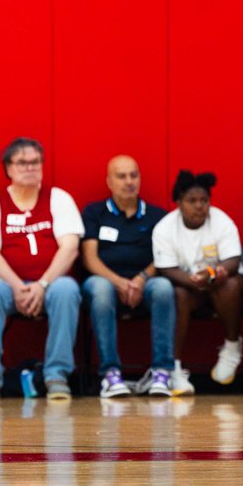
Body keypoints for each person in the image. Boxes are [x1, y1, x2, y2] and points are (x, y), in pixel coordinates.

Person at [0, 138, 83, 402]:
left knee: (67, 289)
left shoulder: (59, 199)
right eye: (22, 163)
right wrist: (19, 287)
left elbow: (70, 248)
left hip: (51, 283)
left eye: (35, 162)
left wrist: (42, 285)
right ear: (8, 168)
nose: (30, 168)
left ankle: (56, 376)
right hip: (8, 286)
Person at [81, 155, 173, 398]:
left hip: (146, 282)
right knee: (100, 290)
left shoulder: (158, 216)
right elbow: (90, 258)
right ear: (109, 182)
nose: (129, 181)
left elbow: (164, 256)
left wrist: (141, 278)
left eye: (134, 175)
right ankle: (111, 374)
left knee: (164, 287)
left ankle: (162, 372)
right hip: (105, 281)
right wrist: (119, 282)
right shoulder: (94, 213)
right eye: (121, 176)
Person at [151, 170, 243, 396]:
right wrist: (194, 281)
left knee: (230, 285)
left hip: (221, 282)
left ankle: (232, 347)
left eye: (204, 200)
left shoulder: (221, 221)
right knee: (179, 295)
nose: (199, 206)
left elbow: (233, 260)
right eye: (192, 201)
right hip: (189, 285)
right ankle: (174, 368)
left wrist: (214, 273)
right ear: (179, 203)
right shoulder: (165, 228)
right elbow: (166, 267)